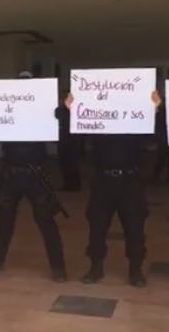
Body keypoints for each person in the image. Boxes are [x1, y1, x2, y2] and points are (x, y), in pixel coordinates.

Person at [65, 91, 161, 288]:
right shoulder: (98, 121)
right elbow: (76, 135)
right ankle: (96, 267)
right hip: (102, 180)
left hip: (130, 180)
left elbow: (156, 139)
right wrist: (71, 111)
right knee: (97, 226)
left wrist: (155, 110)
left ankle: (136, 269)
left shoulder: (136, 122)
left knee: (135, 226)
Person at [0, 71, 67, 282]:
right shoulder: (4, 108)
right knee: (4, 222)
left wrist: (65, 110)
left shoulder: (47, 110)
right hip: (10, 173)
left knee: (46, 221)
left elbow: (63, 132)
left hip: (36, 174)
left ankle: (58, 267)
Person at [56, 94, 82, 191]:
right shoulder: (62, 110)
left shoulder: (74, 110)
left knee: (71, 164)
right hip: (64, 140)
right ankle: (69, 184)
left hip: (71, 141)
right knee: (65, 164)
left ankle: (73, 185)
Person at [152, 103, 169, 184]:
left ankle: (168, 177)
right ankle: (161, 176)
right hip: (167, 133)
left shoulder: (166, 104)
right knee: (165, 156)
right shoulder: (164, 105)